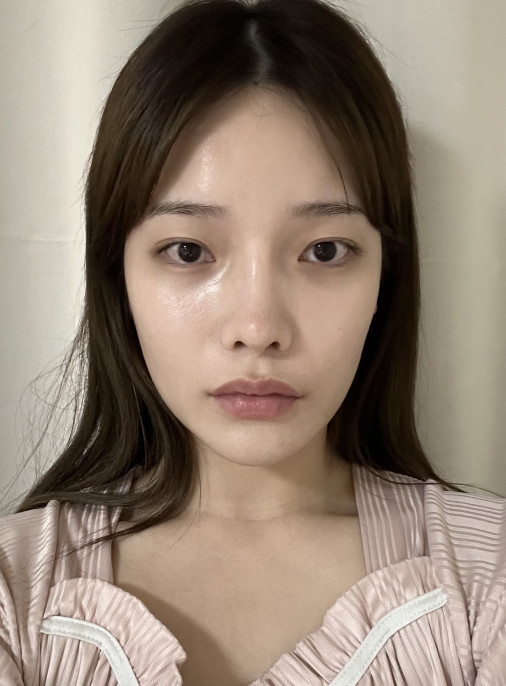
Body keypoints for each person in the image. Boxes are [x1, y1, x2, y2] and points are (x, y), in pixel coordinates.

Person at [0, 0, 504, 684]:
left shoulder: (487, 585)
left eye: (324, 250)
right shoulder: (15, 596)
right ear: (118, 279)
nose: (258, 328)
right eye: (188, 250)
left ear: (387, 276)